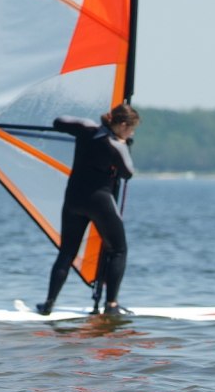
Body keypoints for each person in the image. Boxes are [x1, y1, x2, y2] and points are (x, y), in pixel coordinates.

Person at [35, 103, 140, 317]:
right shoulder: (115, 144)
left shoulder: (87, 128)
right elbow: (128, 173)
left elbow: (59, 121)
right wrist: (123, 143)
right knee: (118, 250)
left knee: (67, 252)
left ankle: (48, 303)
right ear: (121, 125)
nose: (132, 132)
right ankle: (111, 305)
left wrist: (92, 125)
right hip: (99, 201)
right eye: (131, 128)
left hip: (73, 199)